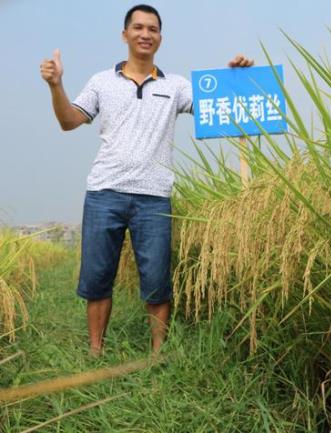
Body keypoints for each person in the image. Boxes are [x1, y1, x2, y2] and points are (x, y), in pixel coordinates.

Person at [39, 4, 253, 356]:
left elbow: (219, 106)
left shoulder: (176, 86)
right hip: (104, 193)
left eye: (152, 29)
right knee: (97, 277)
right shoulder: (101, 82)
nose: (145, 34)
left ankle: (158, 355)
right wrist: (56, 85)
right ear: (125, 34)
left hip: (154, 197)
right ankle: (95, 350)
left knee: (156, 280)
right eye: (137, 28)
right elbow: (68, 121)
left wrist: (235, 77)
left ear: (160, 38)